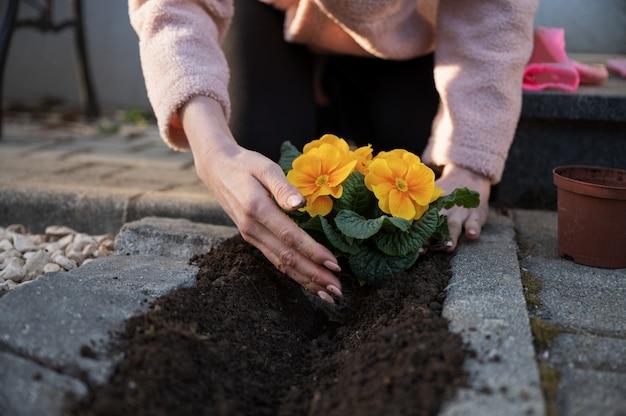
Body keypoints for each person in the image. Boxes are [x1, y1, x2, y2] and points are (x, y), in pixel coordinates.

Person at [128, 0, 539, 304]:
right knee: (266, 164)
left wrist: (470, 162)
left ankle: (331, 104)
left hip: (406, 33)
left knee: (422, 185)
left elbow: (496, 12)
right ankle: (314, 106)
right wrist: (212, 149)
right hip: (273, 17)